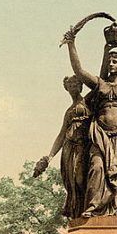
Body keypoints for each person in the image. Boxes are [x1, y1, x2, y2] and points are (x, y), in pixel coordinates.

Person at [63, 27, 117, 217]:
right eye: (109, 60)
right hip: (101, 136)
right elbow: (78, 70)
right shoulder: (100, 85)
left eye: (115, 61)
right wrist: (71, 44)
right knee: (97, 167)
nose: (111, 63)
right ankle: (95, 206)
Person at [32, 75, 90, 219]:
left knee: (80, 178)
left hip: (83, 146)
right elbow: (61, 135)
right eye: (70, 85)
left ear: (81, 86)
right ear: (66, 89)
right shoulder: (69, 111)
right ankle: (78, 214)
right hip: (69, 148)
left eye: (76, 83)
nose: (73, 87)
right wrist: (49, 157)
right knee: (72, 183)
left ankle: (88, 209)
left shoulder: (88, 102)